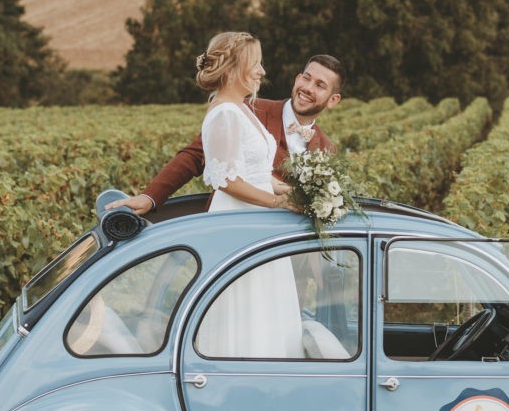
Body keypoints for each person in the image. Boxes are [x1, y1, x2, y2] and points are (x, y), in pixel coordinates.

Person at [177, 31, 304, 357]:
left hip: (258, 219)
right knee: (245, 313)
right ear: (232, 70)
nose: (262, 71)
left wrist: (296, 191)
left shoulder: (241, 108)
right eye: (256, 63)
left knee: (266, 310)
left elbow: (256, 173)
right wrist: (281, 203)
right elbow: (229, 180)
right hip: (239, 222)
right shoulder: (224, 113)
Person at [110, 49, 344, 215]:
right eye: (306, 78)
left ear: (333, 100)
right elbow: (195, 155)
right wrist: (150, 196)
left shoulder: (327, 149)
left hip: (282, 248)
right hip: (234, 227)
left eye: (320, 85)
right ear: (297, 78)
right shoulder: (248, 108)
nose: (307, 88)